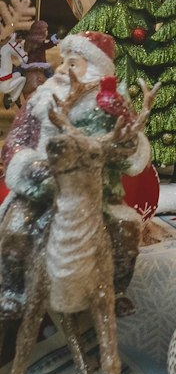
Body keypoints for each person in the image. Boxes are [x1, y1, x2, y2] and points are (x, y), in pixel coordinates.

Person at [0, 32, 150, 317]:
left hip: (97, 192)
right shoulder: (39, 101)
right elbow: (16, 142)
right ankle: (12, 291)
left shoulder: (111, 108)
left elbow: (130, 156)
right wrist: (28, 164)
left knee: (126, 228)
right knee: (16, 226)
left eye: (73, 64)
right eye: (63, 62)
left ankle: (114, 290)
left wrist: (128, 135)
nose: (61, 69)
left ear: (95, 70)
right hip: (41, 190)